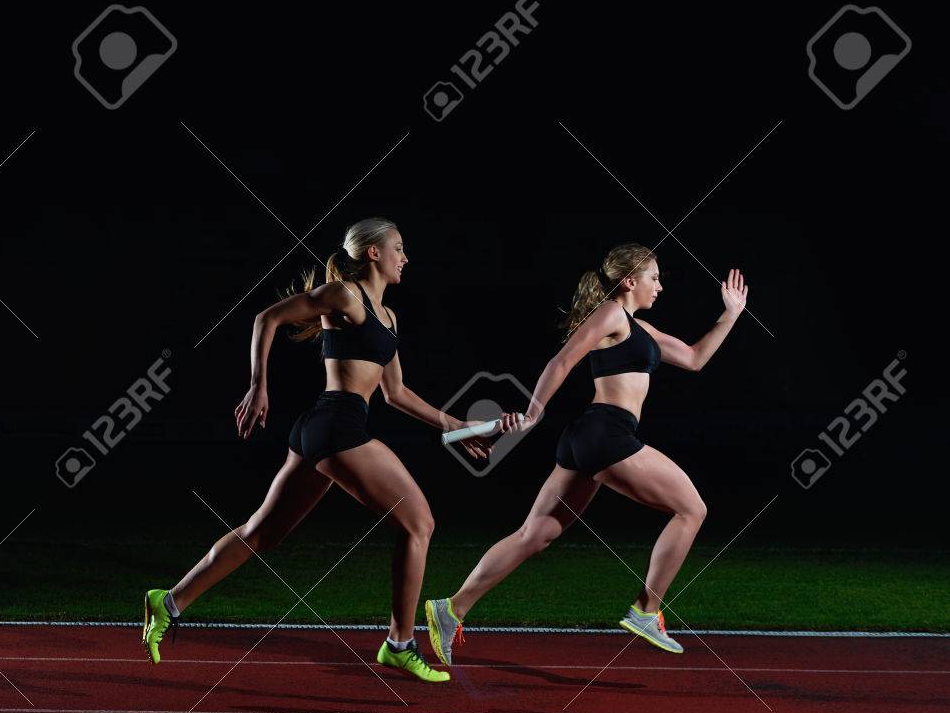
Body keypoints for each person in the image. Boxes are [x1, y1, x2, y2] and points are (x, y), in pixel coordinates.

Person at [143, 217, 514, 682]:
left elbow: (395, 394)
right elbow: (267, 318)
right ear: (374, 254)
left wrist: (456, 425)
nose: (406, 257)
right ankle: (399, 643)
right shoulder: (345, 296)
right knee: (419, 522)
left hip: (325, 429)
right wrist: (259, 387)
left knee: (261, 533)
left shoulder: (389, 317)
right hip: (336, 426)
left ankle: (170, 599)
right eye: (398, 248)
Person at [425, 243, 748, 661]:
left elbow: (693, 358)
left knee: (534, 535)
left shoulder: (638, 328)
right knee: (692, 509)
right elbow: (561, 362)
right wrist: (535, 411)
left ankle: (451, 609)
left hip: (589, 439)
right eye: (654, 277)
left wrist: (731, 313)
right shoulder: (611, 313)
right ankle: (647, 610)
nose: (660, 287)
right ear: (630, 282)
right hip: (607, 433)